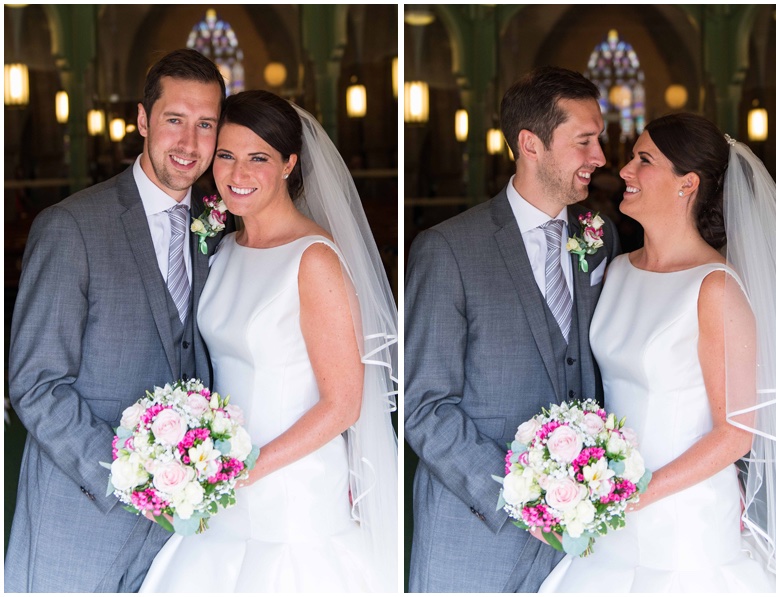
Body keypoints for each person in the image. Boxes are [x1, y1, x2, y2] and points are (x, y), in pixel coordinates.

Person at [137, 90, 399, 592]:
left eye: (258, 158)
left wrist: (243, 471)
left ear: (289, 164)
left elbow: (343, 404)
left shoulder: (314, 259)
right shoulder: (225, 250)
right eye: (226, 156)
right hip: (219, 487)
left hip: (291, 500)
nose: (238, 174)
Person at [537, 113, 776, 592]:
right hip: (609, 510)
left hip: (682, 524)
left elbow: (737, 432)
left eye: (644, 160)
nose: (625, 171)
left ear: (688, 183)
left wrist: (632, 496)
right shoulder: (615, 269)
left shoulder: (714, 287)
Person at [5, 49, 225, 592]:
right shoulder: (71, 228)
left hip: (185, 539)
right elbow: (35, 385)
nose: (189, 143)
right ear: (144, 121)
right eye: (174, 120)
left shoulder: (219, 228)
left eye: (206, 125)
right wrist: (135, 483)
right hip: (80, 520)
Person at [404, 66, 620, 592]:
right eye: (585, 142)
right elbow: (424, 406)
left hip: (584, 547)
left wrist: (579, 498)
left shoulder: (602, 236)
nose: (601, 158)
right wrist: (528, 496)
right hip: (475, 534)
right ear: (531, 144)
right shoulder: (449, 250)